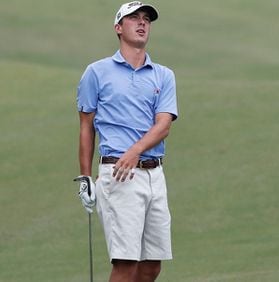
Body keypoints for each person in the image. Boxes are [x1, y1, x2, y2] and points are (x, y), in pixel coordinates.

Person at [75, 1, 178, 281]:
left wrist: (135, 150)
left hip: (154, 173)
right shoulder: (96, 72)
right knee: (126, 263)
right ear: (118, 28)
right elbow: (86, 126)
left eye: (146, 19)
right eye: (134, 18)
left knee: (151, 265)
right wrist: (85, 176)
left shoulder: (163, 75)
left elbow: (164, 124)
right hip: (118, 173)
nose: (142, 23)